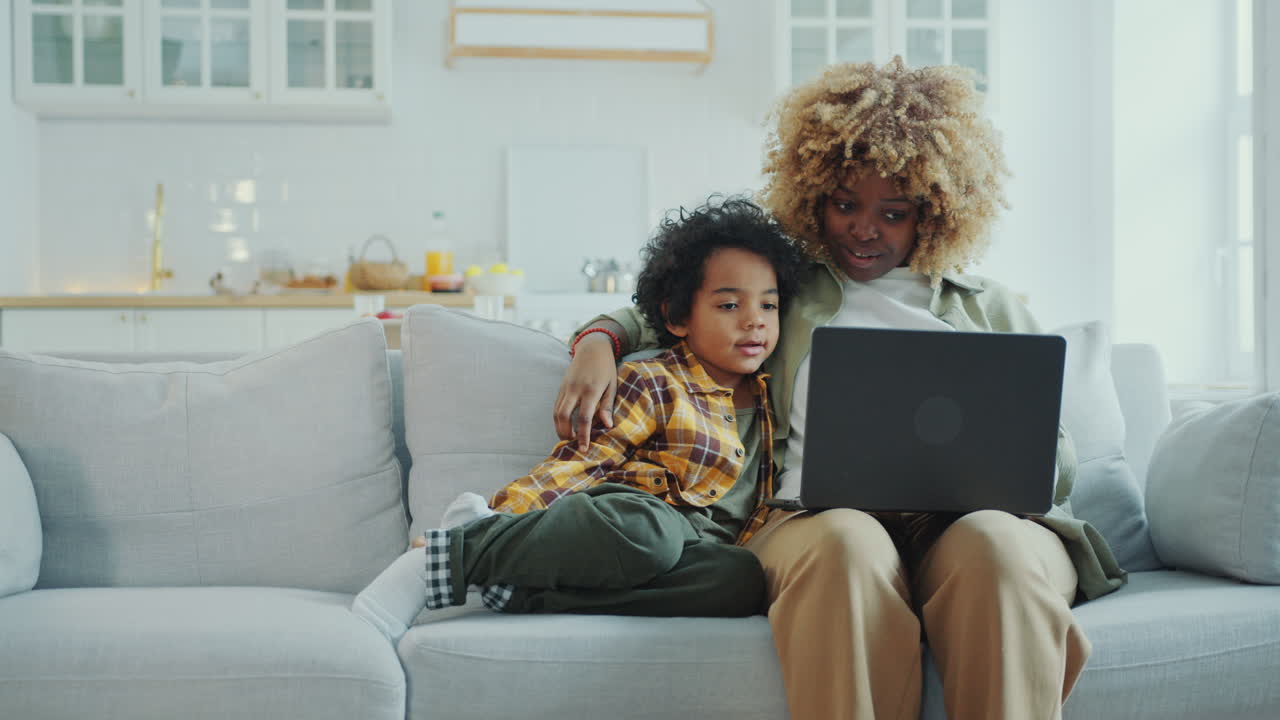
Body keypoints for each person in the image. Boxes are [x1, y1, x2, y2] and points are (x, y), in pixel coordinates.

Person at [557, 59, 1126, 720]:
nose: (865, 227)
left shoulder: (993, 306)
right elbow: (665, 307)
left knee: (996, 551)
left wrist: (1005, 467)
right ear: (813, 194)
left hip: (976, 523)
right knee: (846, 545)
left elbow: (1053, 461)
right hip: (814, 518)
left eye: (894, 212)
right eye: (845, 204)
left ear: (935, 211)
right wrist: (599, 340)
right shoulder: (784, 288)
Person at [352, 196, 808, 643]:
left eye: (768, 306)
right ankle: (458, 550)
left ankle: (525, 593)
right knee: (650, 531)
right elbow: (584, 463)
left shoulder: (773, 398)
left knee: (741, 580)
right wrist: (502, 511)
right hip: (632, 521)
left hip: (695, 555)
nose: (755, 322)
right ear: (676, 317)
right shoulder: (655, 380)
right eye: (730, 305)